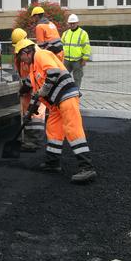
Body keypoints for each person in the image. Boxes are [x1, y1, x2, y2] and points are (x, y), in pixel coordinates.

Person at [15, 38, 97, 183]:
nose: (21, 60)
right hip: (56, 105)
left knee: (73, 130)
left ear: (26, 52)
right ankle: (53, 162)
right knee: (53, 130)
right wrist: (31, 109)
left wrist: (42, 92)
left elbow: (53, 73)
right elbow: (36, 91)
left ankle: (87, 167)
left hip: (67, 97)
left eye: (20, 56)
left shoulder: (41, 55)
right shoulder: (34, 69)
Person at [12, 28, 46, 152]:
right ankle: (28, 139)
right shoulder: (24, 52)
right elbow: (22, 70)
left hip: (36, 87)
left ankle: (35, 141)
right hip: (27, 86)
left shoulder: (35, 53)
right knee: (27, 113)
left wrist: (23, 89)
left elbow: (33, 76)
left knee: (36, 113)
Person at [61, 14, 91, 89]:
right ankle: (66, 92)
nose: (72, 25)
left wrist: (85, 59)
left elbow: (86, 46)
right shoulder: (65, 33)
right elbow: (61, 45)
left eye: (73, 23)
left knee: (77, 78)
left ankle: (76, 93)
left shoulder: (83, 33)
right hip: (66, 60)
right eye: (70, 23)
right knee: (63, 77)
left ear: (77, 23)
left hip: (78, 60)